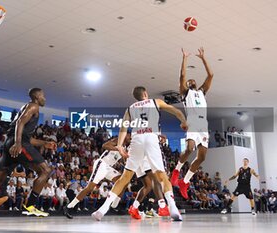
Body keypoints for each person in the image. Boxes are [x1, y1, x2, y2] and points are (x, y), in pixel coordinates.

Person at [91, 86, 188, 221]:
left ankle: (102, 209)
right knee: (161, 175)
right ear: (145, 94)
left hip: (136, 140)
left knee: (125, 177)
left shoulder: (130, 108)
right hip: (150, 137)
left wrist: (119, 146)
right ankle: (172, 207)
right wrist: (183, 121)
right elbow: (175, 111)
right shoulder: (156, 102)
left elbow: (123, 128)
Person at [0, 88, 56, 222]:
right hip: (18, 144)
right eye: (43, 95)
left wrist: (44, 143)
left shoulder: (28, 107)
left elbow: (27, 137)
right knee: (46, 170)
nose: (45, 98)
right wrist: (18, 144)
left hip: (11, 143)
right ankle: (30, 206)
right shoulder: (33, 106)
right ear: (36, 97)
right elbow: (20, 123)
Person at [171, 47, 214, 200]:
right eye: (189, 81)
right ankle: (176, 171)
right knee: (189, 149)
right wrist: (185, 58)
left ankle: (185, 181)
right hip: (193, 122)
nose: (191, 81)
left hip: (204, 124)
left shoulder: (202, 91)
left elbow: (211, 75)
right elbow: (182, 75)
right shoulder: (185, 93)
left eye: (192, 80)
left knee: (202, 157)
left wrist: (203, 58)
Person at [64, 136, 130, 219]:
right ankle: (69, 207)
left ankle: (114, 205)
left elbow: (123, 160)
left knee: (123, 181)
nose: (130, 138)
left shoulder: (126, 148)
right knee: (89, 188)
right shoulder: (118, 141)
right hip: (102, 164)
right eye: (129, 136)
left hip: (108, 167)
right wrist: (118, 149)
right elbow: (104, 145)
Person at [128, 135, 170, 219]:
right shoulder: (151, 126)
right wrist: (160, 137)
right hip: (144, 151)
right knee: (155, 178)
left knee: (148, 185)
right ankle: (162, 206)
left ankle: (134, 207)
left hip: (134, 151)